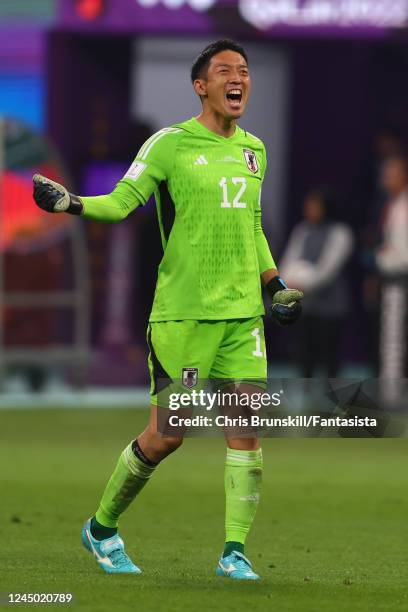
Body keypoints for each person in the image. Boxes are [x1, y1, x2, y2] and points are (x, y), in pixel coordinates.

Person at [32, 40, 303, 581]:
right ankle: (102, 528)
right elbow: (123, 201)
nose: (238, 79)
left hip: (242, 317)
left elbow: (250, 228)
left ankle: (234, 552)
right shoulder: (169, 145)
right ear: (200, 85)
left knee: (246, 430)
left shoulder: (255, 150)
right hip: (182, 316)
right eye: (225, 71)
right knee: (168, 434)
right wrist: (74, 204)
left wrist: (274, 286)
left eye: (244, 71)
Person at [279, 188, 353, 377]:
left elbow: (328, 268)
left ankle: (332, 400)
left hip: (331, 307)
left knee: (329, 355)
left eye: (315, 206)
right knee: (304, 353)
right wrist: (289, 283)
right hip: (305, 305)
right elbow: (289, 260)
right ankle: (306, 396)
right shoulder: (302, 230)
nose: (310, 209)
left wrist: (306, 284)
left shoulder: (340, 232)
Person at [376, 155, 408, 387]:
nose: (386, 178)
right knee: (392, 341)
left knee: (394, 342)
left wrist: (383, 257)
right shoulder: (394, 205)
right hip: (394, 280)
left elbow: (401, 254)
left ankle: (392, 395)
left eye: (392, 173)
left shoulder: (403, 208)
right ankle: (391, 393)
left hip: (401, 279)